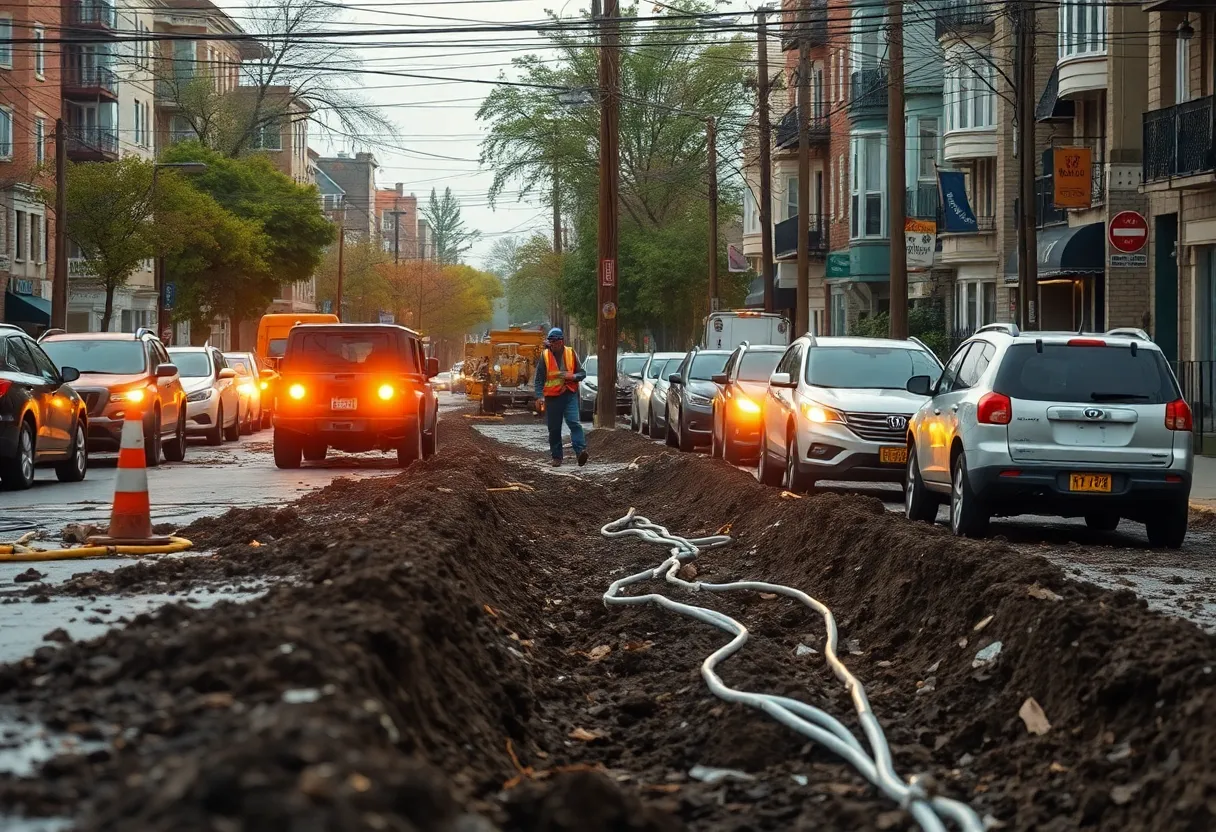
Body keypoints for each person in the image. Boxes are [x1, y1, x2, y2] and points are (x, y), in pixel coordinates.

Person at [534, 328, 588, 467]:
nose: (552, 344)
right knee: (554, 428)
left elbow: (582, 373)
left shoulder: (571, 353)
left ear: (561, 341)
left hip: (569, 394)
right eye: (550, 342)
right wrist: (540, 396)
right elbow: (539, 379)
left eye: (555, 342)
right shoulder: (545, 356)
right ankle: (557, 457)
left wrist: (573, 376)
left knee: (574, 423)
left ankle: (580, 452)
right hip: (552, 398)